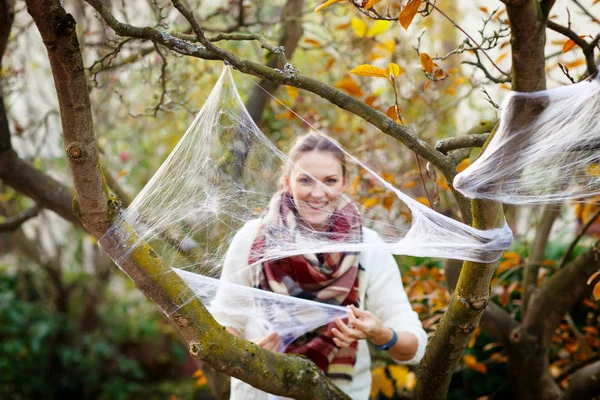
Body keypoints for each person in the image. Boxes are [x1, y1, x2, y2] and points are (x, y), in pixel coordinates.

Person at [217, 132, 427, 400]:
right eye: (305, 180)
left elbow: (413, 347)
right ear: (287, 182)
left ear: (344, 183)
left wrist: (381, 334)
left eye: (330, 181)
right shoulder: (252, 239)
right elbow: (224, 322)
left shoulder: (368, 247)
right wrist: (247, 354)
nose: (318, 193)